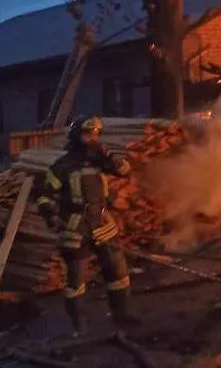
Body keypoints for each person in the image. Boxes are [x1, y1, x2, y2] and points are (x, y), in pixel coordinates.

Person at [35, 115, 140, 335]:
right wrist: (52, 218)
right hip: (75, 227)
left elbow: (125, 170)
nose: (92, 139)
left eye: (95, 135)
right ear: (76, 137)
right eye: (87, 135)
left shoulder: (100, 161)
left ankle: (122, 313)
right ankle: (79, 324)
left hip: (103, 222)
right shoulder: (62, 166)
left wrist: (107, 156)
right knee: (76, 279)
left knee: (117, 271)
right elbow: (44, 196)